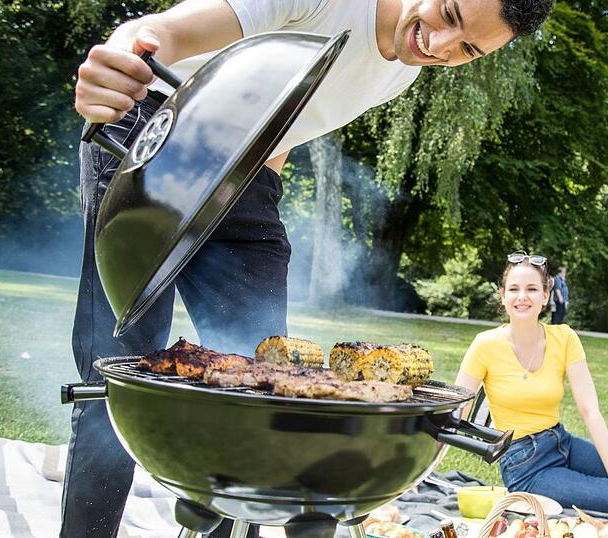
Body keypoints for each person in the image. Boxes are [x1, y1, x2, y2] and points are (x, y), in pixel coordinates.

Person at [65, 1, 554, 537]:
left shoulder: (402, 69)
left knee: (264, 382)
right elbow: (162, 32)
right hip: (152, 135)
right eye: (449, 13)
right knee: (117, 365)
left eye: (467, 49)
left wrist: (261, 189)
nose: (438, 45)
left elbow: (283, 120)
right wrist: (118, 61)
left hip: (249, 174)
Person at [454, 252, 608, 516]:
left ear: (546, 296)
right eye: (514, 289)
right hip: (525, 467)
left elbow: (589, 409)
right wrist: (417, 471)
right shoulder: (484, 345)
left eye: (532, 289)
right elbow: (455, 412)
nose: (522, 297)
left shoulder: (564, 337)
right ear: (503, 295)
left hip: (561, 442)